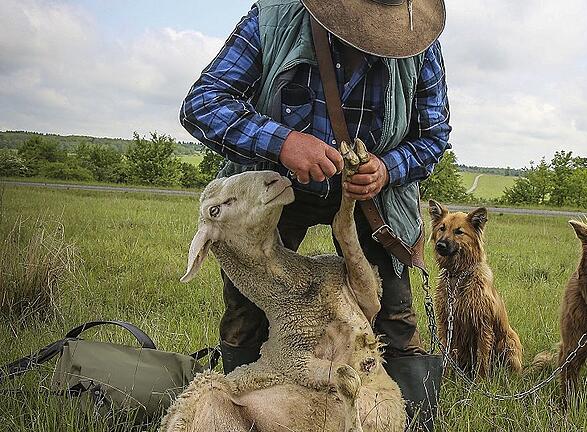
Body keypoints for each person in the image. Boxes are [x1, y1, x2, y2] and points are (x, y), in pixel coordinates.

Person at [180, 0, 450, 379]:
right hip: (273, 189)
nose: (371, 35)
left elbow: (434, 136)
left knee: (393, 318)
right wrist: (283, 143)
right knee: (249, 312)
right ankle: (242, 406)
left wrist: (387, 169)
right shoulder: (274, 19)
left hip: (371, 201)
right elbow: (203, 103)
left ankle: (410, 417)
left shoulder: (417, 41)